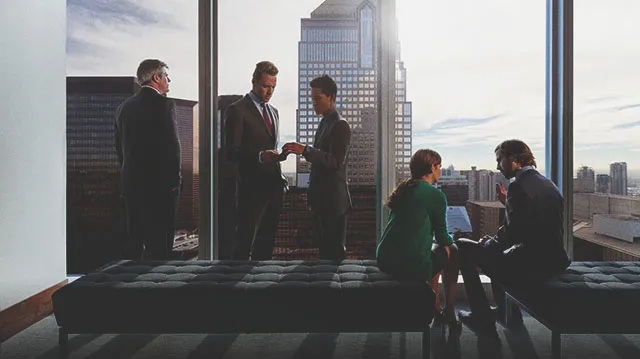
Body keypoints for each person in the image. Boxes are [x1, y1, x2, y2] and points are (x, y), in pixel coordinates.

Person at [456, 139, 571, 333]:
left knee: (464, 246)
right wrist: (507, 204)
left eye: (499, 160)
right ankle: (506, 312)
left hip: (534, 263)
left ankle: (481, 317)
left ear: (513, 159)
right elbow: (532, 223)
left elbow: (512, 234)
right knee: (497, 253)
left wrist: (488, 242)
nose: (497, 166)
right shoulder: (546, 183)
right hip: (555, 259)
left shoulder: (518, 186)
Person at [376, 149, 461, 326]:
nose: (440, 171)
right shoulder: (436, 196)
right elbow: (443, 238)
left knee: (433, 254)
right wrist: (452, 239)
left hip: (384, 258)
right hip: (409, 263)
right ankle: (450, 311)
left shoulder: (404, 189)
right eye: (439, 166)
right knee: (451, 251)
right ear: (432, 167)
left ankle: (434, 305)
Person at [115, 59, 181, 261]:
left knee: (135, 240)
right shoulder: (165, 104)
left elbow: (121, 150)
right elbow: (172, 146)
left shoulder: (123, 108)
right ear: (156, 77)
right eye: (166, 76)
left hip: (131, 184)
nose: (169, 80)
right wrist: (174, 181)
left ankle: (131, 289)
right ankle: (156, 288)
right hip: (160, 187)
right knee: (160, 244)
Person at [283, 75, 351, 261]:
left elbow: (336, 161)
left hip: (333, 203)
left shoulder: (340, 125)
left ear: (331, 97)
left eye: (317, 99)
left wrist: (305, 150)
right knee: (325, 253)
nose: (313, 103)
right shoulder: (325, 123)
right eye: (312, 99)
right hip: (323, 201)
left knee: (334, 254)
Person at [225, 61, 288, 260]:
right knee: (244, 245)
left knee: (266, 246)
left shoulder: (274, 112)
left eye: (273, 87)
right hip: (250, 190)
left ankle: (261, 288)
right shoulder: (237, 110)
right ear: (254, 82)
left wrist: (280, 156)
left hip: (274, 188)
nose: (270, 91)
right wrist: (260, 157)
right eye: (265, 86)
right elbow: (231, 152)